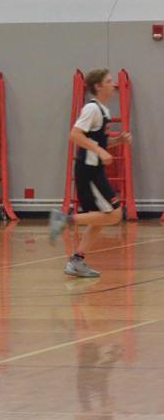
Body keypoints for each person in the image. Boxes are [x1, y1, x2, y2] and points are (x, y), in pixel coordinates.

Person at [49, 68, 132, 277]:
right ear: (97, 86)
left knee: (100, 219)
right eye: (108, 81)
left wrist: (117, 141)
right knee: (114, 214)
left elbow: (97, 140)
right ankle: (64, 220)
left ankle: (76, 261)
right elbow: (75, 135)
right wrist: (99, 150)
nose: (113, 85)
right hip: (89, 171)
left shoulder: (104, 111)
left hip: (95, 170)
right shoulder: (91, 109)